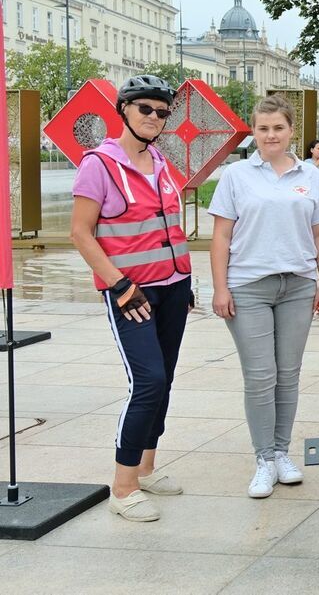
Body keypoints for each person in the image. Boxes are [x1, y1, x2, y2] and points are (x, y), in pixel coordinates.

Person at [70, 75, 193, 522]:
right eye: (145, 109)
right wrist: (119, 285)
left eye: (162, 112)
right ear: (124, 109)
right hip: (130, 293)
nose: (155, 118)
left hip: (173, 287)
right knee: (149, 383)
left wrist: (184, 279)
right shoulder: (98, 164)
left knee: (167, 380)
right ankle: (123, 487)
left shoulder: (159, 159)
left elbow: (168, 228)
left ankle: (145, 468)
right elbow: (80, 233)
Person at [209, 94, 319, 499]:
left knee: (288, 375)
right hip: (249, 287)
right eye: (263, 129)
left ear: (291, 130)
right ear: (254, 130)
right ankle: (263, 458)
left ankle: (282, 452)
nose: (270, 135)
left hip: (297, 286)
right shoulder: (236, 175)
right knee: (260, 377)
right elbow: (221, 236)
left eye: (278, 128)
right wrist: (220, 287)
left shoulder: (310, 176)